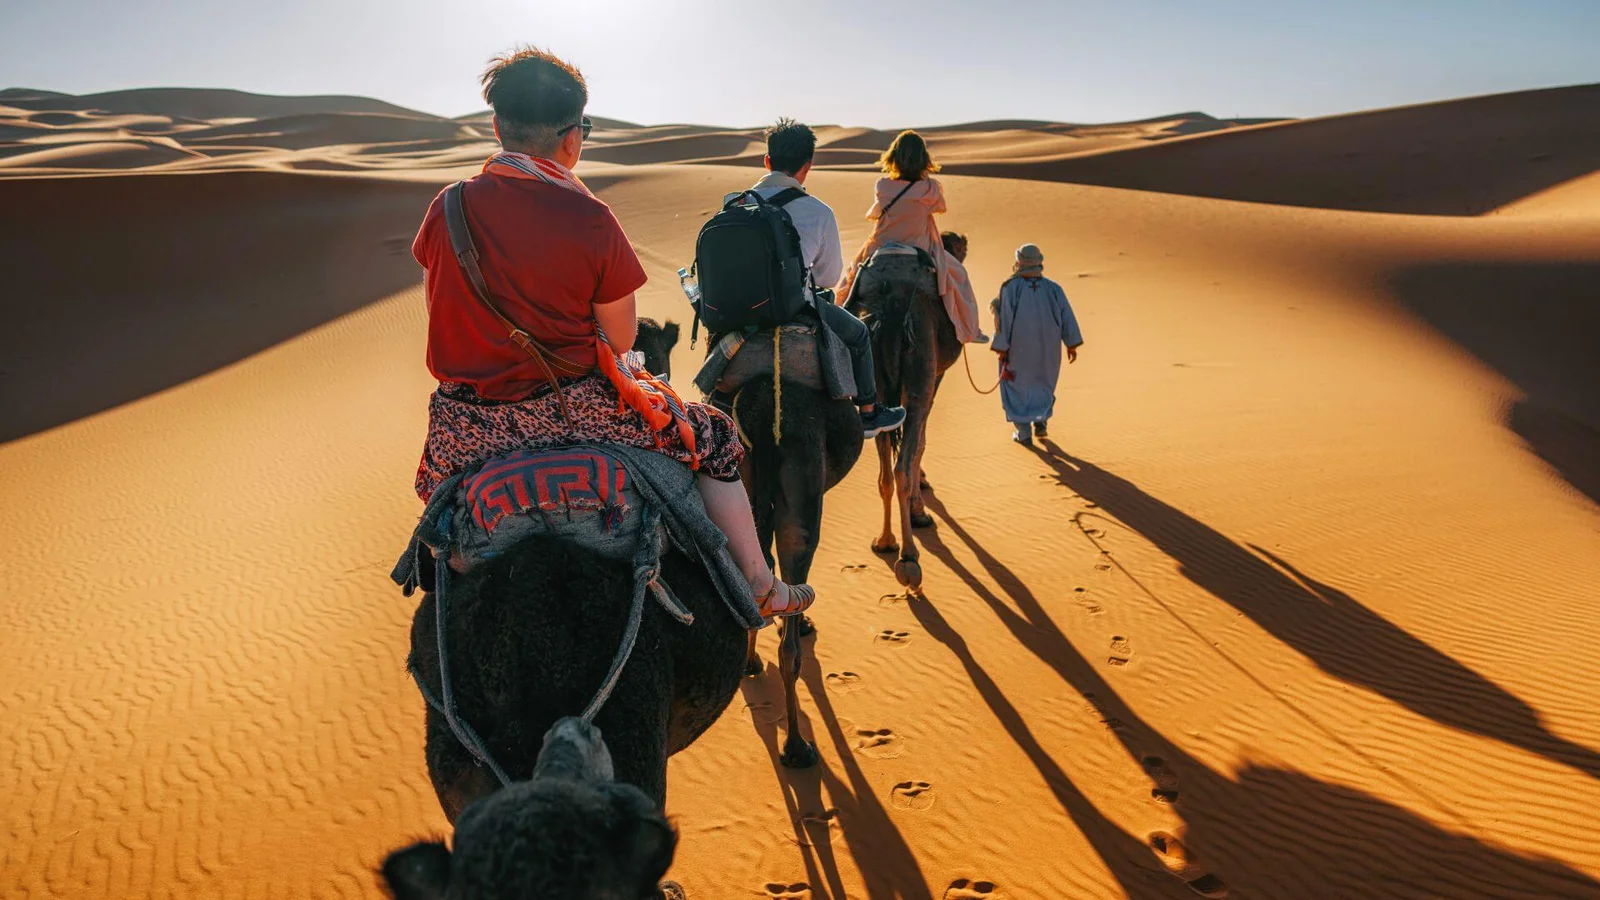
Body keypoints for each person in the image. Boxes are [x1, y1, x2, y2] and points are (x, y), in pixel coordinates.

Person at [410, 47, 813, 618]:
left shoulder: (445, 209)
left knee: (436, 513)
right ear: (573, 137)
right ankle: (758, 583)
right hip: (576, 408)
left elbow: (441, 300)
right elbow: (622, 340)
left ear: (497, 127)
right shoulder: (591, 218)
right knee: (717, 436)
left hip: (466, 422)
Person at [723, 119, 906, 438]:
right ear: (808, 166)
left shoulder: (734, 205)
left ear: (767, 161)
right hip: (793, 308)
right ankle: (868, 411)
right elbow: (829, 277)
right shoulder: (818, 212)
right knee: (860, 335)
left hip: (736, 313)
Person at [839, 130, 987, 343]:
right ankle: (970, 329)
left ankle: (836, 320)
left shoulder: (882, 186)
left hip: (881, 246)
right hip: (918, 248)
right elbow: (940, 208)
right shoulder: (930, 188)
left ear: (894, 157)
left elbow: (876, 212)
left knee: (850, 279)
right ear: (923, 159)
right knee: (959, 276)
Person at [990, 244, 1084, 445]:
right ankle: (1040, 422)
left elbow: (1004, 320)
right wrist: (1071, 344)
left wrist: (1002, 348)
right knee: (1043, 383)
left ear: (1019, 262)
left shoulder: (1010, 288)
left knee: (1016, 386)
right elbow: (1067, 316)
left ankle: (1024, 433)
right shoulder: (1053, 288)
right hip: (1048, 348)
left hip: (1018, 348)